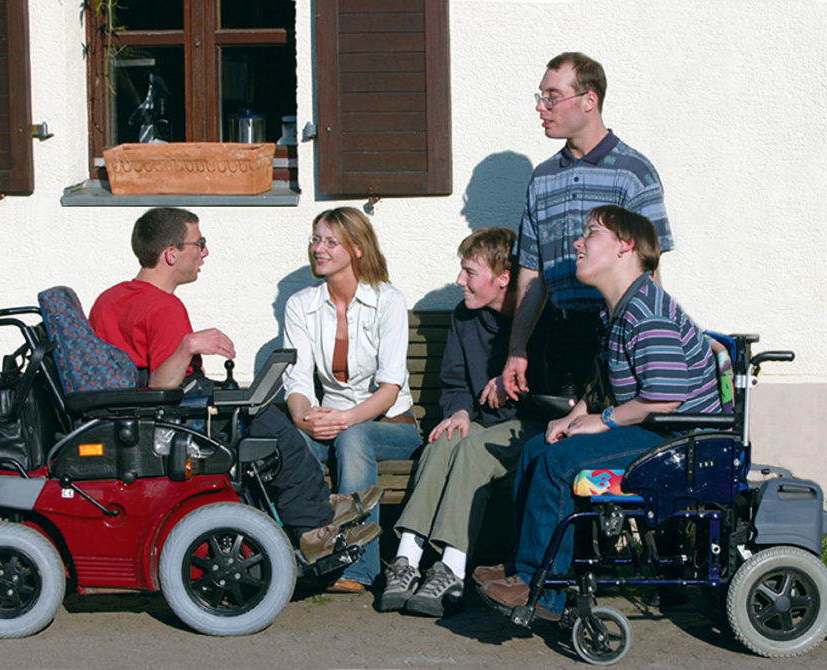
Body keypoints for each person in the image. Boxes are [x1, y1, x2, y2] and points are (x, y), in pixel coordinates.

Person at [88, 207, 382, 565]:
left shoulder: (110, 298)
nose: (204, 252)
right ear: (171, 254)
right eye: (199, 243)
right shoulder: (164, 307)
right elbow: (158, 392)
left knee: (256, 408)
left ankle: (317, 506)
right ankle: (312, 528)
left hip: (119, 418)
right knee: (272, 427)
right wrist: (189, 346)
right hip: (167, 421)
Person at [477, 205, 722, 617]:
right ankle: (525, 566)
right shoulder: (620, 309)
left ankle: (543, 588)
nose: (578, 242)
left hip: (681, 443)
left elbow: (665, 398)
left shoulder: (649, 312)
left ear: (625, 247)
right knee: (539, 448)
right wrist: (573, 419)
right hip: (655, 430)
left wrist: (602, 422)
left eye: (591, 234)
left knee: (558, 463)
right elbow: (607, 383)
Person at [378, 228, 545, 618]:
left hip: (531, 425)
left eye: (469, 272)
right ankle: (406, 562)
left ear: (503, 277)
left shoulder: (541, 318)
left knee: (472, 448)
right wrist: (459, 411)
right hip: (482, 422)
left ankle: (451, 570)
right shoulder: (465, 318)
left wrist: (512, 383)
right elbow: (453, 381)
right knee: (444, 440)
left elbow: (556, 391)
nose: (459, 281)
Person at [503, 52, 675, 409]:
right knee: (556, 438)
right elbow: (532, 274)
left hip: (616, 336)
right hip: (559, 339)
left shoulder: (633, 172)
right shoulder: (543, 178)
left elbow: (650, 271)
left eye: (551, 96)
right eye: (540, 97)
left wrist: (653, 344)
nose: (541, 107)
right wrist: (517, 349)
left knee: (609, 444)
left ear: (589, 100)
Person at [283, 207, 422, 592]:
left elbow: (390, 389)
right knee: (289, 442)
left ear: (357, 249)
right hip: (331, 421)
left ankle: (359, 568)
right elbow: (297, 380)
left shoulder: (388, 300)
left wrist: (343, 420)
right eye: (315, 239)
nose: (318, 249)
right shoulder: (301, 306)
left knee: (353, 437)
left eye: (330, 241)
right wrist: (303, 419)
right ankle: (305, 554)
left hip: (390, 425)